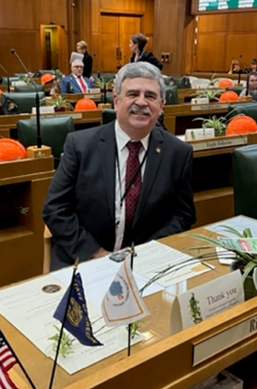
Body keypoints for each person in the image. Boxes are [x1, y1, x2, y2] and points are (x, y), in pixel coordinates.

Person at [43, 62, 196, 269]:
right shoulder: (79, 146)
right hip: (83, 261)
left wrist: (146, 253)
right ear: (116, 101)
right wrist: (96, 254)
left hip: (146, 264)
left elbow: (183, 215)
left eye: (150, 96)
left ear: (161, 106)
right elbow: (55, 208)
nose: (141, 102)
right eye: (133, 94)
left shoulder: (178, 153)